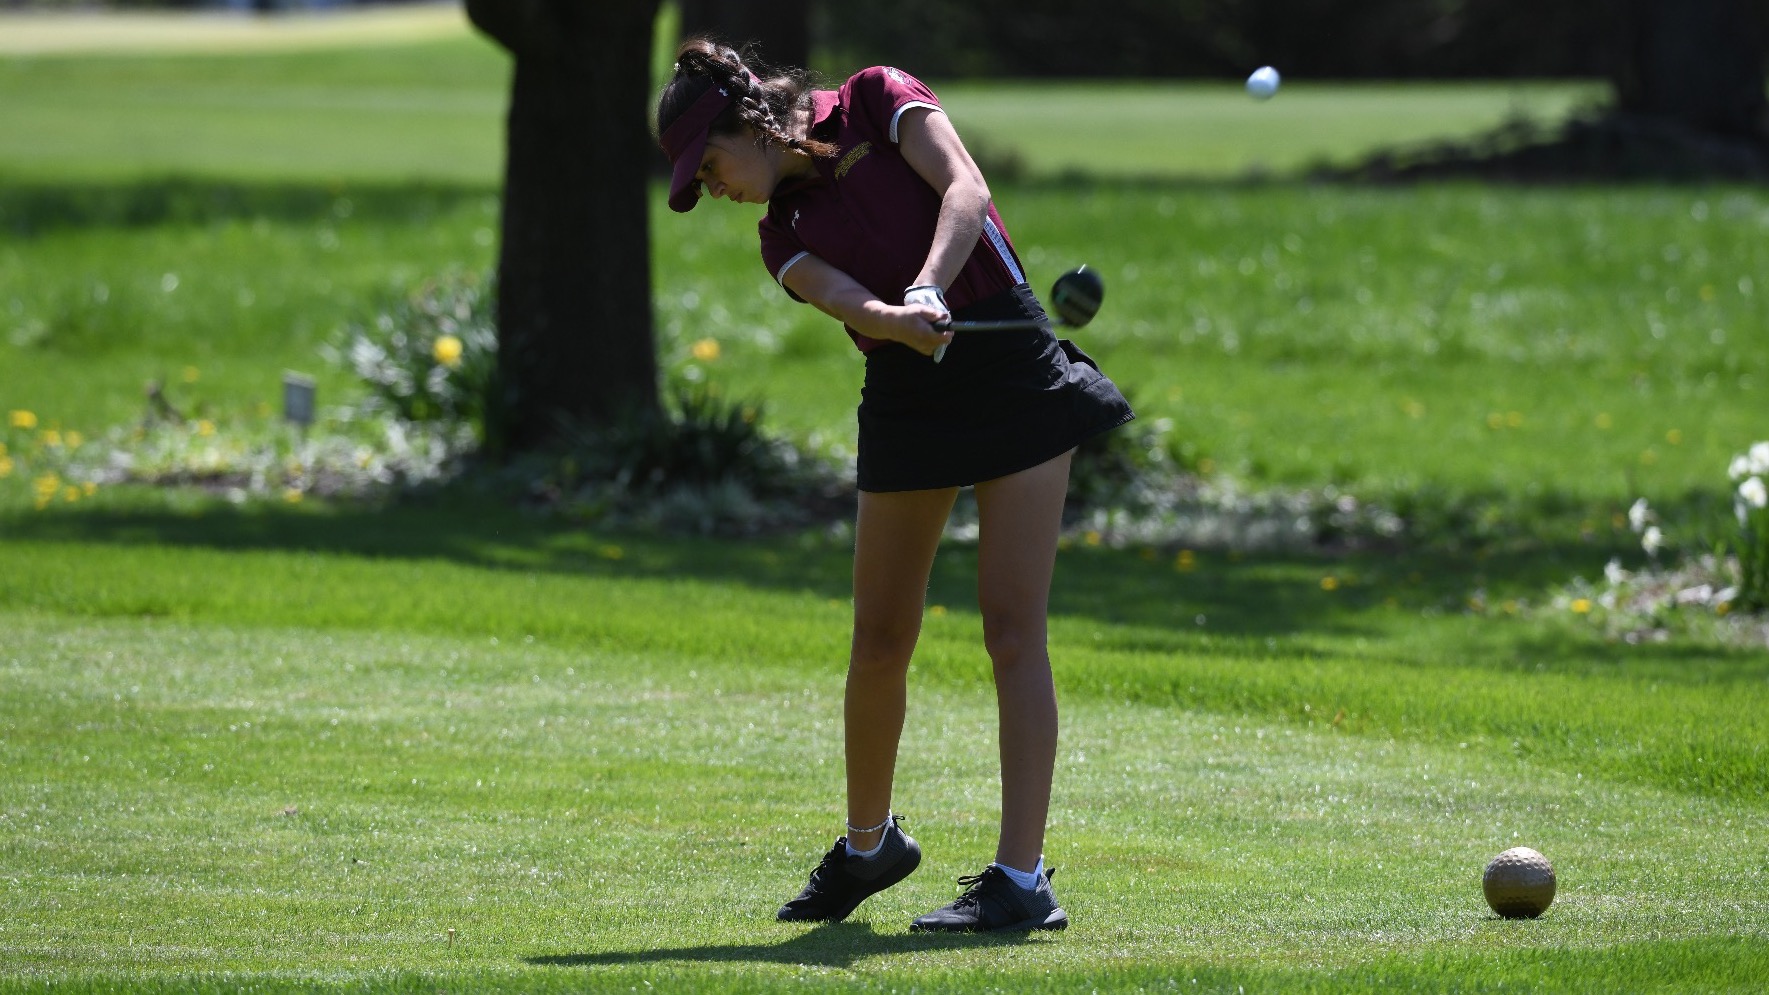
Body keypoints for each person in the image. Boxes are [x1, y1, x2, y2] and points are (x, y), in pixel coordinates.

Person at [655, 38, 1134, 933]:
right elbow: (846, 300)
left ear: (751, 125)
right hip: (907, 386)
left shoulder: (876, 99)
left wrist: (927, 286)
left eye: (708, 167)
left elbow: (965, 189)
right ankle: (870, 845)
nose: (711, 189)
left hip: (1011, 365)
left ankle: (1021, 879)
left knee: (1011, 628)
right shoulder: (779, 232)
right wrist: (896, 316)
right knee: (878, 635)